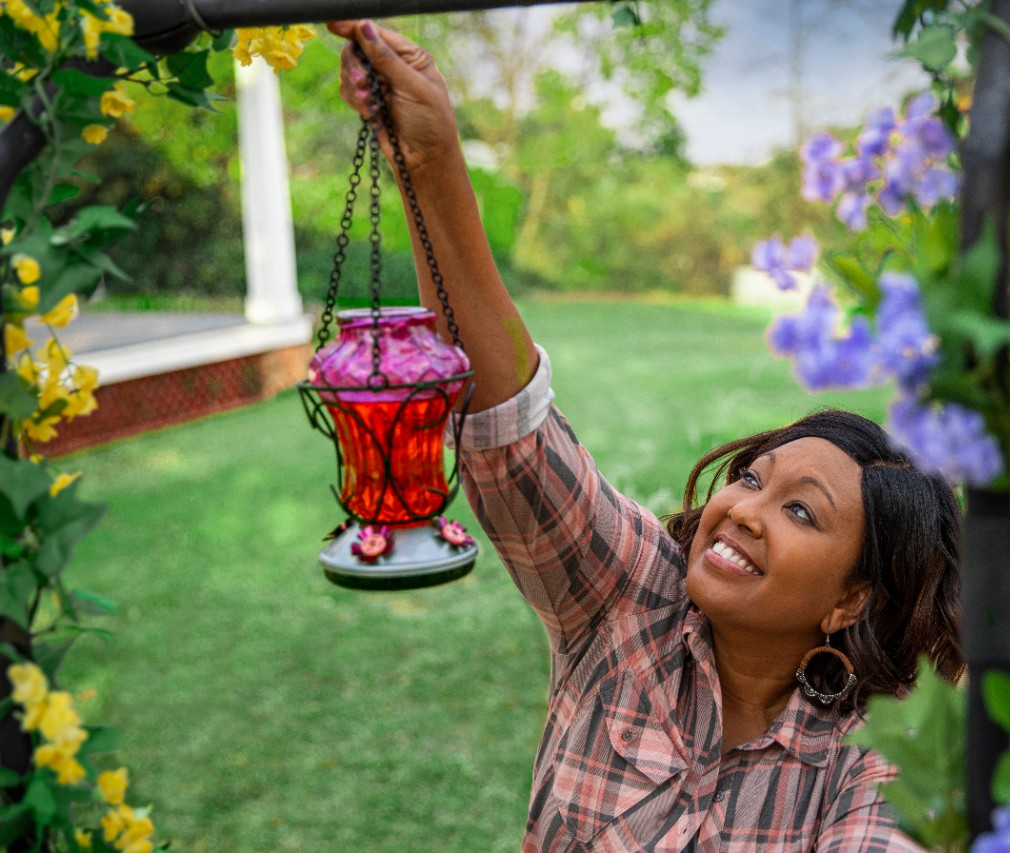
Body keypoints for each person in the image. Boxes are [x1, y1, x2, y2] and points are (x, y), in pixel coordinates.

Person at [328, 19, 964, 852]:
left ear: (849, 599)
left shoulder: (878, 755)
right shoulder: (630, 600)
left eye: (802, 512)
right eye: (751, 477)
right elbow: (511, 434)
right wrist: (432, 161)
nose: (741, 509)